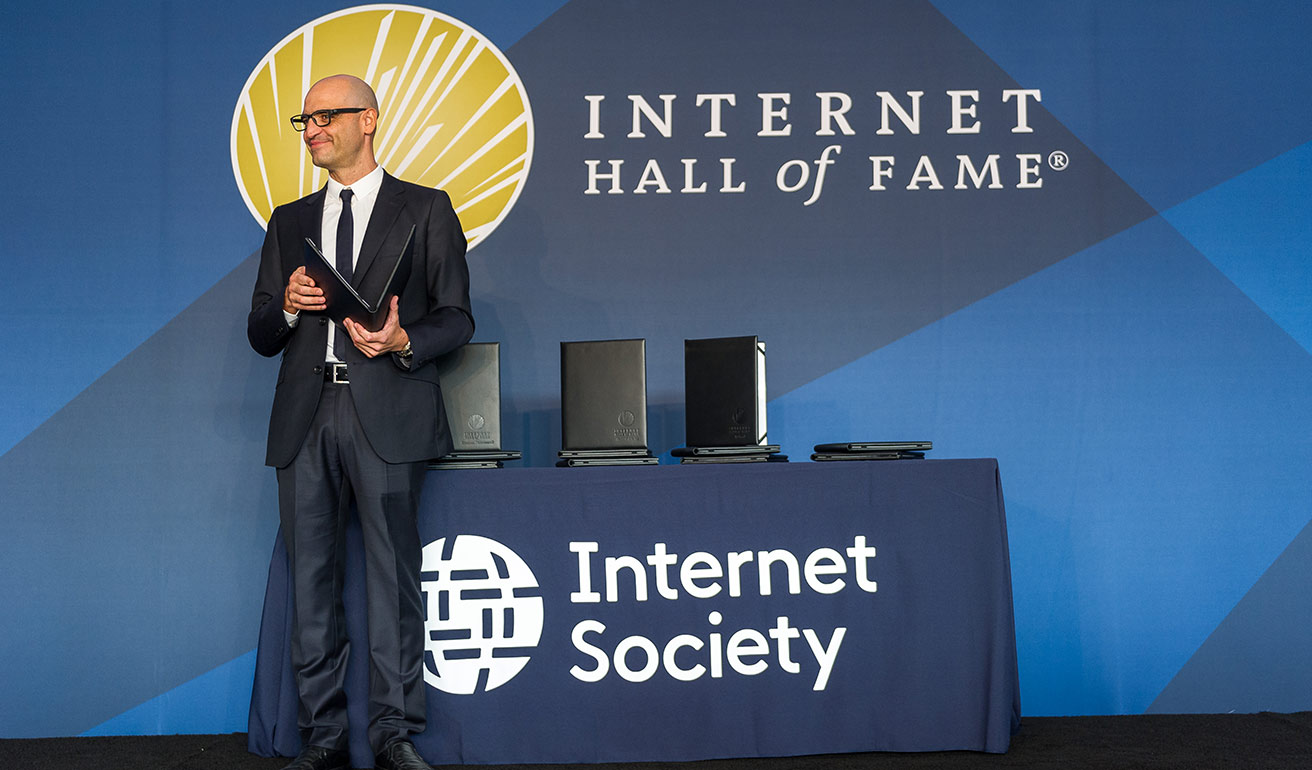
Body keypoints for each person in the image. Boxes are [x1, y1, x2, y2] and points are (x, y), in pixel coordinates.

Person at [248, 74, 472, 770]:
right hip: (304, 417)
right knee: (311, 579)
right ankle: (322, 737)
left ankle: (394, 734)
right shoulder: (288, 220)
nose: (311, 129)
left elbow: (457, 318)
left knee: (392, 578)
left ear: (368, 120)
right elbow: (260, 331)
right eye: (303, 120)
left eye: (325, 116)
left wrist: (405, 342)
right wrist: (286, 305)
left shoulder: (426, 209)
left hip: (388, 411)